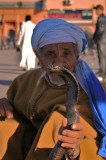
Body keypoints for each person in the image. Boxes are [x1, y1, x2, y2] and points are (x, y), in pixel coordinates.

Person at [0, 18, 106, 160]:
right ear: (38, 56)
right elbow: (14, 111)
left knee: (59, 121)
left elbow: (89, 139)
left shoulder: (94, 94)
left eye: (66, 53)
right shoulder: (24, 82)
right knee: (5, 123)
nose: (58, 62)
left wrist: (74, 150)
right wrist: (3, 105)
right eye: (50, 54)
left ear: (77, 56)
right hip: (27, 146)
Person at [93, 4, 106, 78]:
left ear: (100, 10)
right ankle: (103, 71)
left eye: (97, 10)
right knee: (104, 56)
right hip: (104, 40)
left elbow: (100, 30)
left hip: (101, 40)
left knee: (102, 57)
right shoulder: (104, 18)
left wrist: (96, 38)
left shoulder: (101, 18)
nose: (96, 11)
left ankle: (103, 72)